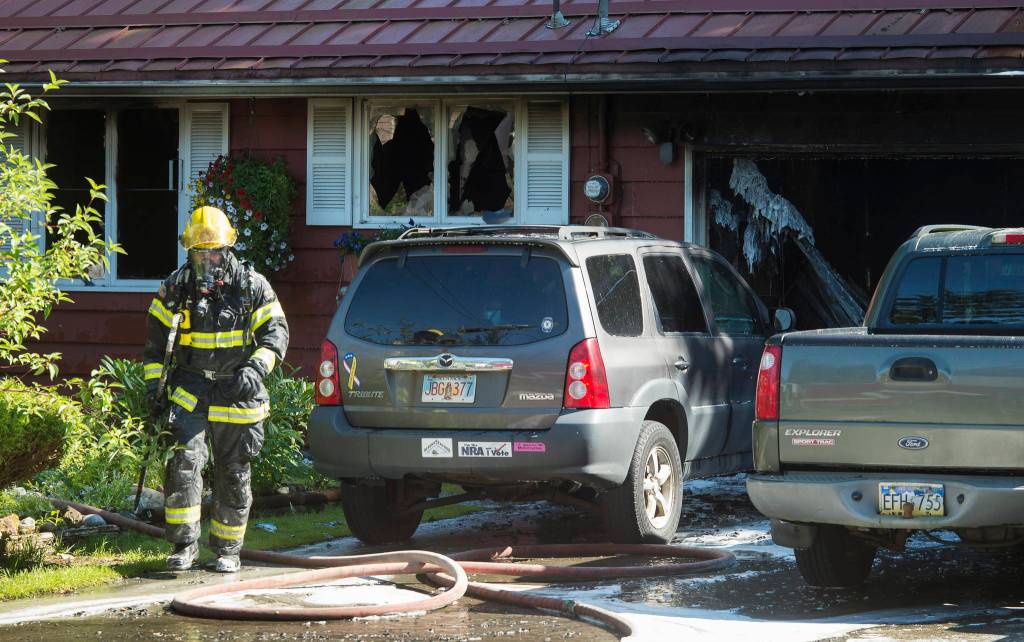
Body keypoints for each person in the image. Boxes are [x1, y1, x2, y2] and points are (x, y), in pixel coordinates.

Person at [143, 206, 289, 573]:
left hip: (237, 389)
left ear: (228, 249)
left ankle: (227, 550)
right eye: (200, 252)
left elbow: (276, 334)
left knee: (234, 471)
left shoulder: (251, 286)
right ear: (189, 252)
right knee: (184, 464)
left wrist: (257, 368)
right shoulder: (175, 289)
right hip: (190, 386)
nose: (208, 259)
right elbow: (156, 347)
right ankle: (183, 546)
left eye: (215, 251)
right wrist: (154, 389)